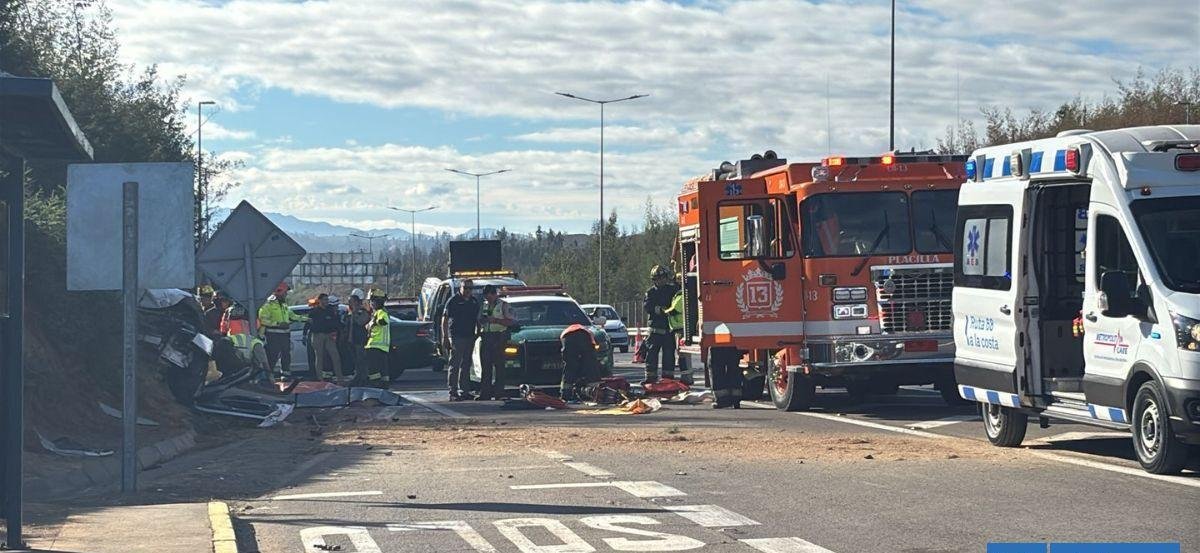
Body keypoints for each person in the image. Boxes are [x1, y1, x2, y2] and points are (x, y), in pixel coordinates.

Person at [257, 281, 307, 380]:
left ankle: (286, 374)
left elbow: (292, 316)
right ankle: (268, 376)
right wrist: (278, 324)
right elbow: (263, 319)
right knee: (272, 355)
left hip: (285, 334)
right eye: (285, 292)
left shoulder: (284, 305)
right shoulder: (268, 305)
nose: (286, 294)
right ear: (279, 292)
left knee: (286, 354)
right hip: (273, 335)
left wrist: (307, 319)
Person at [442, 278, 479, 400]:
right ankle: (452, 392)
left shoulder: (474, 301)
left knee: (466, 364)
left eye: (470, 288)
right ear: (460, 288)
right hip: (457, 337)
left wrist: (478, 332)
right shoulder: (453, 301)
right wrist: (445, 337)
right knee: (455, 364)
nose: (468, 290)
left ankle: (465, 390)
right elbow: (445, 319)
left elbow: (477, 319)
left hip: (470, 337)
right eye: (466, 288)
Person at [476, 284, 514, 400]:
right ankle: (485, 393)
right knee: (486, 367)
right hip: (486, 337)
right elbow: (479, 319)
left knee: (499, 367)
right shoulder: (484, 305)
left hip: (499, 337)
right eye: (486, 296)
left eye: (489, 296)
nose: (488, 298)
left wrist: (496, 320)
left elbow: (510, 322)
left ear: (494, 294)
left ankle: (499, 392)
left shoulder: (504, 305)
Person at [642, 264, 680, 383]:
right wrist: (661, 310)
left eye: (663, 277)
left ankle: (668, 380)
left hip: (669, 330)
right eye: (658, 279)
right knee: (651, 355)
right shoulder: (651, 292)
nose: (661, 280)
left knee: (669, 355)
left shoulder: (672, 290)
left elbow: (679, 298)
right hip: (655, 330)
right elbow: (648, 307)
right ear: (654, 280)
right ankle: (650, 378)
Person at [309, 293, 346, 385]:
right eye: (325, 300)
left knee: (335, 357)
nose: (326, 301)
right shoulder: (315, 311)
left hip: (329, 335)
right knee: (319, 357)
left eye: (327, 300)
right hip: (318, 335)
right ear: (320, 301)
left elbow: (336, 322)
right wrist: (305, 334)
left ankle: (340, 379)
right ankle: (320, 379)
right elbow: (308, 323)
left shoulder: (330, 311)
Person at [224, 304, 268, 377]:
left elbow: (224, 327)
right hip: (248, 340)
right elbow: (257, 325)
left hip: (232, 341)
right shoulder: (251, 309)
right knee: (257, 364)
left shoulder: (229, 310)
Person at [559, 323, 600, 402]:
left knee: (570, 367)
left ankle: (565, 394)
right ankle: (594, 393)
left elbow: (565, 354)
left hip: (568, 340)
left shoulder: (565, 332)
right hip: (584, 340)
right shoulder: (588, 332)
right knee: (591, 366)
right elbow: (594, 347)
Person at [363, 288, 391, 387]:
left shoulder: (381, 312)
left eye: (371, 301)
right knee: (383, 369)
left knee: (374, 369)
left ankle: (376, 386)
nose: (370, 303)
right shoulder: (376, 313)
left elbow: (383, 321)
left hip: (375, 346)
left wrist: (374, 322)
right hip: (380, 347)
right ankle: (383, 386)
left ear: (376, 302)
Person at [345, 289, 372, 385]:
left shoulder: (362, 311)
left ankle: (364, 378)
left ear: (356, 302)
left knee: (362, 360)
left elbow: (362, 322)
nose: (350, 304)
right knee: (356, 360)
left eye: (351, 301)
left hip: (361, 340)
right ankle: (358, 376)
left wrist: (355, 313)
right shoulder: (349, 312)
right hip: (352, 340)